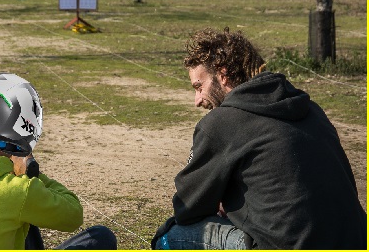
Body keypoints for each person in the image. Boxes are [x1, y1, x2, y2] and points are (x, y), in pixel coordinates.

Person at [152, 28, 367, 250]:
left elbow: (188, 208)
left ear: (223, 74)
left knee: (172, 235)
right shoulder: (310, 108)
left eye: (199, 87)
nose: (197, 100)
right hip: (355, 240)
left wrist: (226, 201)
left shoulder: (221, 123)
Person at [0, 73, 117, 250]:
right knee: (101, 237)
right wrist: (31, 174)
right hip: (20, 193)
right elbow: (74, 215)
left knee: (21, 219)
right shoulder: (17, 191)